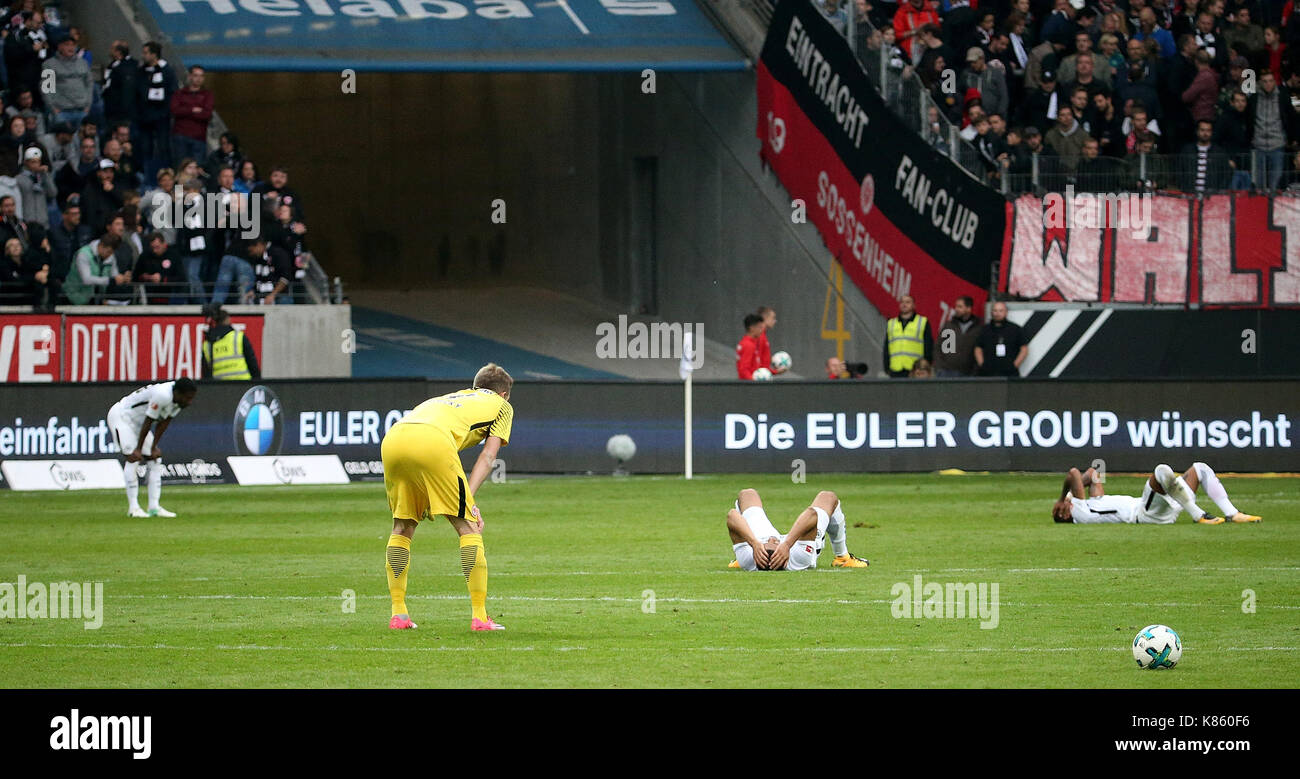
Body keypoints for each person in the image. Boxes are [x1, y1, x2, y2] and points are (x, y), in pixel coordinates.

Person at [380, 363, 515, 632]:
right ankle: (480, 617)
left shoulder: (451, 398)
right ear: (503, 395)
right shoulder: (502, 407)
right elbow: (488, 456)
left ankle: (399, 615)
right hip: (432, 441)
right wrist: (470, 502)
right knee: (468, 526)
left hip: (394, 438)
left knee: (403, 525)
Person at [1052, 462, 1262, 525]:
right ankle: (1199, 515)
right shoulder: (1080, 514)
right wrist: (1063, 498)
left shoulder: (1093, 504)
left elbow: (1093, 473)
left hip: (1164, 505)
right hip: (1146, 514)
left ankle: (1232, 513)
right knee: (1161, 471)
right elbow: (1073, 474)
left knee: (1200, 469)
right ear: (1064, 514)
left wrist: (1068, 497)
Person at [106, 378, 198, 518]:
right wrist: (138, 448)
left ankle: (154, 507)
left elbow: (164, 422)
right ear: (178, 393)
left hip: (139, 423)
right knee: (133, 458)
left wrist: (154, 447)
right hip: (122, 417)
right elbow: (149, 421)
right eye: (188, 398)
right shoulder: (163, 395)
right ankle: (134, 508)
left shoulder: (179, 401)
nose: (190, 402)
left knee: (155, 459)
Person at [726, 488, 869, 571]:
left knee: (747, 494)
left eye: (768, 542)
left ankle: (741, 549)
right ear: (782, 556)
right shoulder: (798, 556)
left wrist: (754, 544)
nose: (772, 539)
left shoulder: (749, 558)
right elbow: (811, 514)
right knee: (828, 497)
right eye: (774, 543)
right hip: (799, 543)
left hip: (758, 547)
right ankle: (842, 557)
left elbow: (732, 515)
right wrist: (787, 545)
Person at [63, 232, 129, 304]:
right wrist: (110, 280)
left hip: (95, 299)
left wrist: (122, 278)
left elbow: (114, 275)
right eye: (108, 252)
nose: (110, 255)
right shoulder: (83, 254)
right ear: (101, 246)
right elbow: (87, 279)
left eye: (112, 252)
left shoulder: (110, 256)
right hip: (74, 298)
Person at [42, 35, 92, 128]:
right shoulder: (49, 65)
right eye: (67, 45)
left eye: (73, 45)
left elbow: (89, 84)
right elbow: (47, 89)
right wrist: (53, 108)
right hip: (61, 111)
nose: (71, 48)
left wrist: (88, 105)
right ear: (59, 47)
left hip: (81, 110)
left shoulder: (83, 63)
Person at [201, 304, 260, 380]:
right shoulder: (238, 337)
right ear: (227, 319)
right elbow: (252, 365)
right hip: (244, 385)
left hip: (219, 388)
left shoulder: (207, 344)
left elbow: (206, 374)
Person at [171, 65, 213, 167]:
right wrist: (193, 110)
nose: (198, 79)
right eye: (196, 75)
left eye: (201, 76)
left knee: (197, 169)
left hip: (198, 139)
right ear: (190, 76)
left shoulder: (208, 95)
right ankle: (179, 185)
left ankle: (195, 184)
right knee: (179, 168)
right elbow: (174, 111)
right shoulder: (179, 94)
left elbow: (206, 114)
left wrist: (185, 110)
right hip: (180, 137)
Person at [883, 294, 932, 378]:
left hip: (915, 369)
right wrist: (886, 366)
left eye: (908, 302)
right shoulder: (891, 323)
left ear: (913, 305)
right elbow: (887, 347)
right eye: (902, 302)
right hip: (895, 368)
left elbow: (928, 345)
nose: (904, 304)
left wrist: (926, 365)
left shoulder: (922, 322)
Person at [974, 301, 1026, 376]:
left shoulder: (1015, 329)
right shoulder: (984, 330)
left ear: (1006, 312)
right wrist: (982, 365)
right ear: (991, 312)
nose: (997, 313)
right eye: (995, 310)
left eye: (1001, 310)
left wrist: (1014, 366)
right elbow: (978, 349)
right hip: (988, 373)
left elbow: (1024, 349)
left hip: (1009, 374)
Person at [934, 295, 981, 376]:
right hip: (946, 372)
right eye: (956, 306)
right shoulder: (949, 325)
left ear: (969, 309)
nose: (956, 309)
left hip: (968, 373)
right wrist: (939, 367)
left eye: (960, 307)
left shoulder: (978, 328)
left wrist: (975, 370)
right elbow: (938, 347)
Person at [735, 313, 765, 380]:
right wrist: (753, 382)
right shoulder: (749, 345)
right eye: (759, 327)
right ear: (751, 328)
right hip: (749, 386)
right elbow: (743, 370)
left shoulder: (745, 342)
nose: (761, 330)